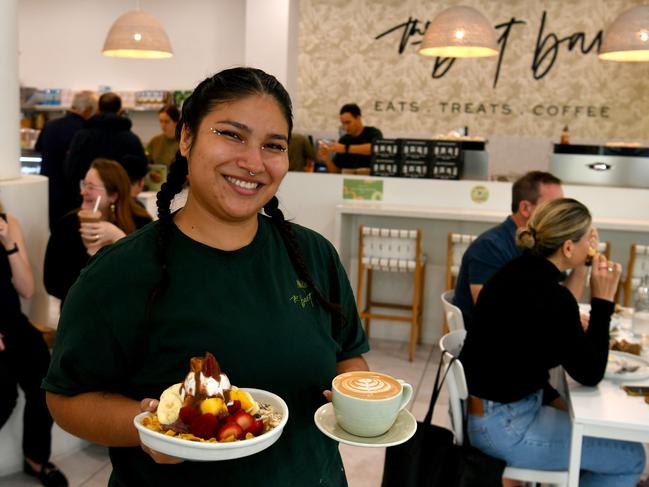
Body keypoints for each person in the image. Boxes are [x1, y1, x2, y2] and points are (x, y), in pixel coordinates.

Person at [43, 67, 369, 486]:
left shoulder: (312, 254)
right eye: (231, 134)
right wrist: (147, 426)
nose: (253, 162)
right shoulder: (120, 272)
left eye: (273, 145)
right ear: (186, 138)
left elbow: (348, 355)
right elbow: (66, 398)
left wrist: (353, 398)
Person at [458, 198, 646, 486]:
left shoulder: (515, 272)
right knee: (631, 457)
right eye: (588, 240)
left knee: (603, 441)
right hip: (505, 428)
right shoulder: (550, 296)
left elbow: (526, 354)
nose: (592, 248)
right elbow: (590, 373)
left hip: (492, 413)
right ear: (568, 248)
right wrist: (603, 301)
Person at [453, 171, 578, 330]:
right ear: (525, 208)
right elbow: (491, 312)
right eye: (553, 207)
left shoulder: (541, 246)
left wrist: (583, 262)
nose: (561, 215)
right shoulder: (490, 246)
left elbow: (565, 299)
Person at [0, 203, 68, 487]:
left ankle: (35, 459)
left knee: (45, 384)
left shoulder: (8, 223)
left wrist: (8, 245)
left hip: (12, 321)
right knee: (3, 395)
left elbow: (27, 289)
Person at [44, 158, 152, 305]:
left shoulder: (140, 222)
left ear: (113, 195)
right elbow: (52, 284)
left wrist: (118, 238)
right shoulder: (67, 226)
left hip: (126, 314)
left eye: (91, 187)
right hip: (80, 314)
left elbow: (149, 276)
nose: (83, 191)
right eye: (83, 184)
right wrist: (90, 257)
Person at [64, 92, 146, 210]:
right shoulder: (131, 138)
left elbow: (70, 169)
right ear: (120, 110)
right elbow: (139, 171)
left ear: (98, 109)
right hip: (120, 206)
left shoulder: (82, 136)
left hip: (85, 202)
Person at [35, 90, 98, 227]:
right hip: (72, 194)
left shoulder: (50, 125)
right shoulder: (84, 131)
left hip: (49, 190)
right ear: (88, 110)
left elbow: (38, 148)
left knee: (54, 233)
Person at [318, 103, 382, 172]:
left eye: (348, 122)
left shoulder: (373, 133)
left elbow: (375, 149)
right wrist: (326, 158)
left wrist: (345, 148)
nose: (345, 127)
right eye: (343, 124)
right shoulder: (344, 140)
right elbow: (335, 172)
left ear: (358, 118)